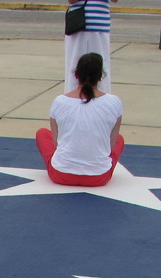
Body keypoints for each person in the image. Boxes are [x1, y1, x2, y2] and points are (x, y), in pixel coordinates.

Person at [36, 52, 124, 187]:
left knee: (42, 133)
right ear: (101, 76)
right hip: (99, 177)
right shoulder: (114, 102)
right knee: (120, 139)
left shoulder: (59, 101)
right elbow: (111, 146)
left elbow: (56, 143)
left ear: (76, 74)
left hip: (61, 174)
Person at [65, 0, 117, 93]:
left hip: (100, 26)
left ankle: (101, 100)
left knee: (101, 67)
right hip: (78, 25)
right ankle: (73, 99)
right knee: (74, 67)